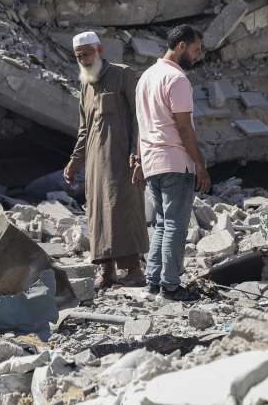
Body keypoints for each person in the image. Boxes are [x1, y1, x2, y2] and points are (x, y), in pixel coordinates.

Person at [64, 31, 149, 289]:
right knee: (98, 213)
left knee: (123, 209)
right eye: (79, 57)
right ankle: (106, 271)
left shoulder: (123, 74)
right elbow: (84, 129)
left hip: (122, 158)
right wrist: (74, 162)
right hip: (94, 162)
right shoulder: (85, 84)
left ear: (99, 50)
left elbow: (139, 117)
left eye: (87, 54)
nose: (84, 60)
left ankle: (134, 270)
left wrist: (137, 153)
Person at [135, 24, 210, 301]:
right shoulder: (177, 79)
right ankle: (170, 287)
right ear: (181, 46)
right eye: (195, 49)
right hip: (175, 161)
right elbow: (184, 127)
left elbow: (141, 124)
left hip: (152, 161)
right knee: (175, 225)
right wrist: (200, 164)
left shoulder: (146, 77)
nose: (197, 56)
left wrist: (138, 159)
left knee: (162, 224)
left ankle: (153, 284)